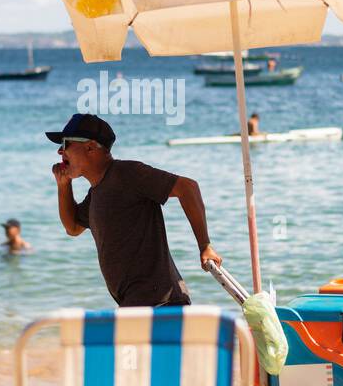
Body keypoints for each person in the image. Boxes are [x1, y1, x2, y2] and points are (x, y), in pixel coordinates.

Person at [49, 113, 221, 307]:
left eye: (65, 144)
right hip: (137, 302)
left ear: (90, 147)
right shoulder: (96, 192)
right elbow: (72, 227)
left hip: (159, 302)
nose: (59, 152)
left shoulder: (127, 174)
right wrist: (63, 186)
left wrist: (204, 245)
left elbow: (188, 188)